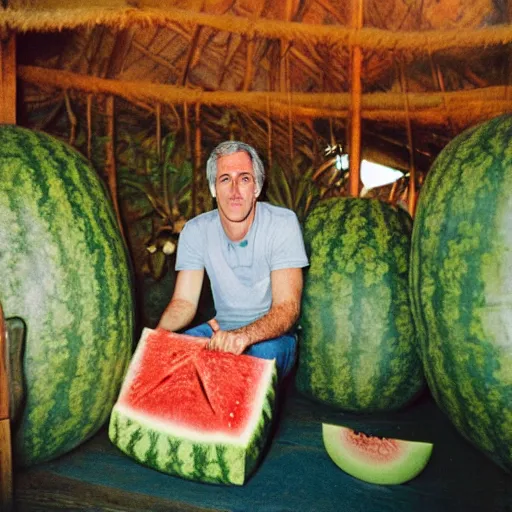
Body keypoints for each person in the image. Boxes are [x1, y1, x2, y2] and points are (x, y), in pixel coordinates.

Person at [158, 141, 309, 381]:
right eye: (225, 179)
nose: (235, 190)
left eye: (245, 179)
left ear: (257, 187)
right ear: (213, 188)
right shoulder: (195, 230)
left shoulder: (282, 224)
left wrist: (242, 337)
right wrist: (156, 339)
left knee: (250, 369)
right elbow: (183, 303)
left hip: (275, 338)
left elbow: (287, 308)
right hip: (219, 330)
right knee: (169, 361)